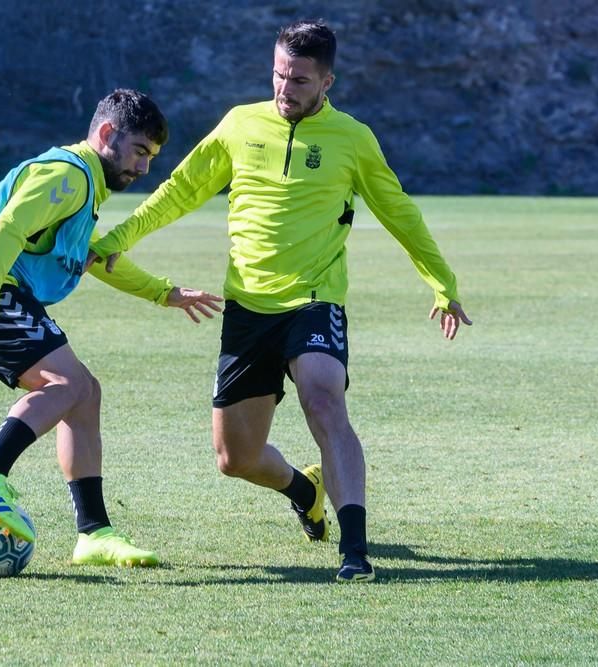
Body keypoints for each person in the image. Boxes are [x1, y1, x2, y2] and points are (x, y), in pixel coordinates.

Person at [87, 23, 471, 582]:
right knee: (234, 458)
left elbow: (400, 213)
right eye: (279, 74)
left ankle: (355, 551)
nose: (284, 87)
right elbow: (180, 191)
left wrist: (442, 283)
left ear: (327, 81)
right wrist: (118, 239)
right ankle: (303, 487)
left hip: (315, 300)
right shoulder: (241, 124)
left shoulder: (353, 138)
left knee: (323, 398)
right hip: (247, 308)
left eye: (299, 80)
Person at [0, 89, 223, 568]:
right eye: (140, 152)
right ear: (107, 134)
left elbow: (95, 260)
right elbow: (6, 230)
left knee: (85, 393)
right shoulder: (67, 176)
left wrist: (166, 293)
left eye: (152, 157)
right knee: (68, 383)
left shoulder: (85, 191)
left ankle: (94, 533)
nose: (144, 169)